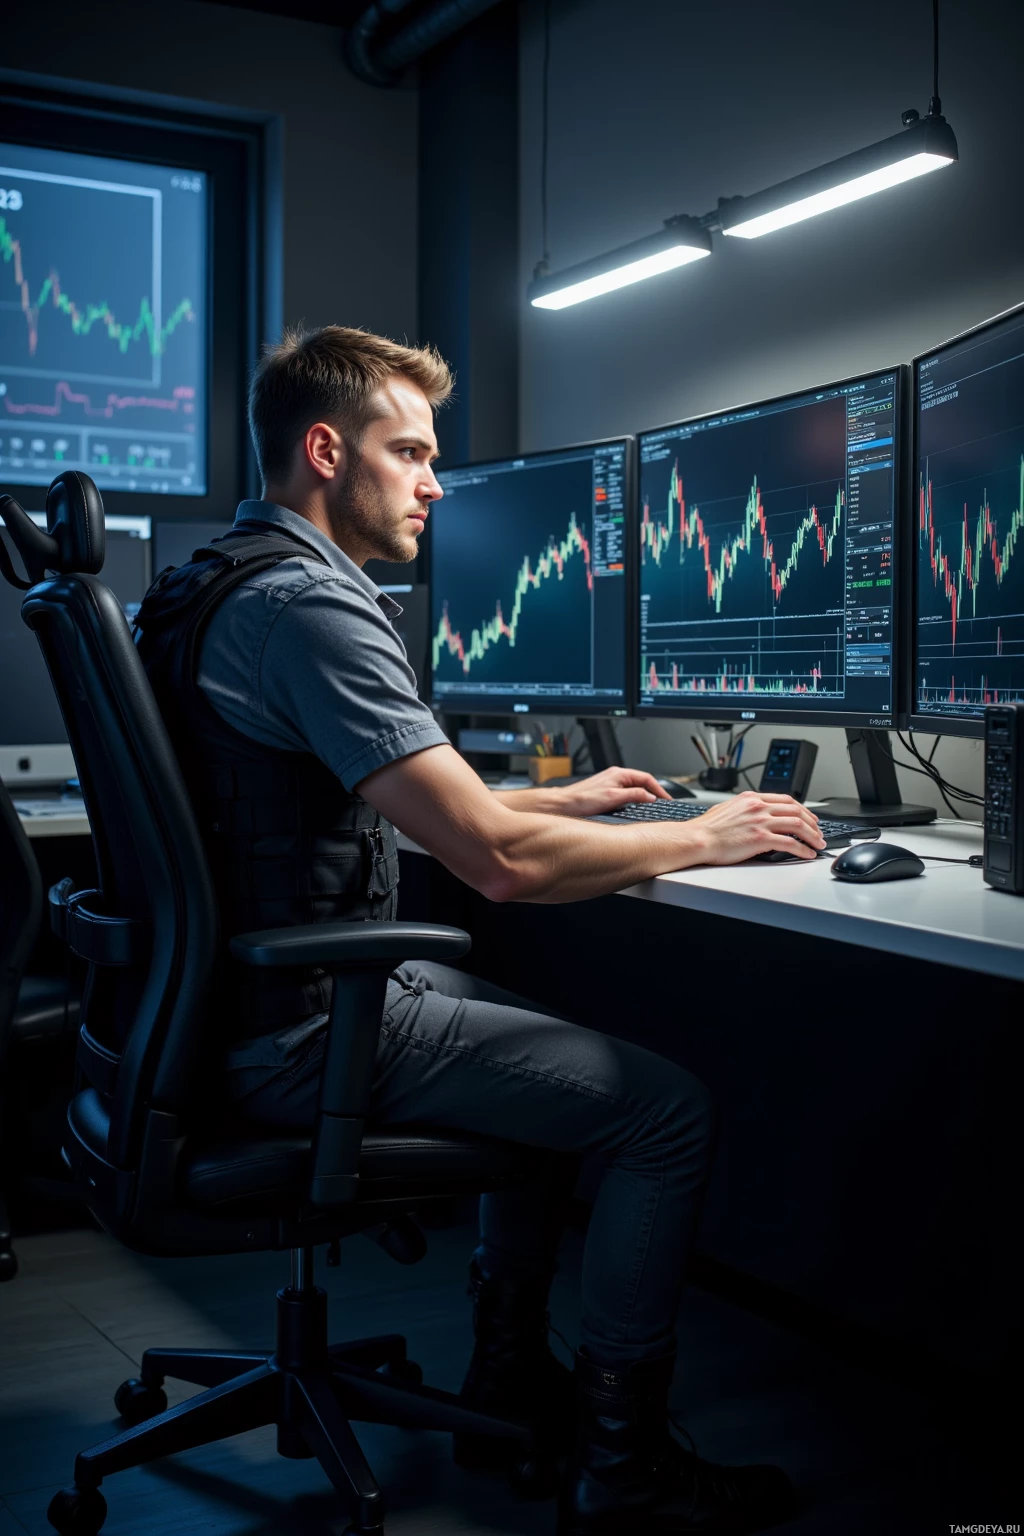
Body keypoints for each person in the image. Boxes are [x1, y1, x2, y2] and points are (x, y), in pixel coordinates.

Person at [136, 326, 821, 1535]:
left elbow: (362, 794)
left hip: (224, 1016)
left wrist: (558, 796)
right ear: (323, 450)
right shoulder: (315, 610)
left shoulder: (216, 582)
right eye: (410, 453)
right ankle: (624, 1470)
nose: (435, 484)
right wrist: (708, 836)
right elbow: (496, 868)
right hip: (298, 1037)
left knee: (552, 1054)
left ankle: (510, 1377)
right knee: (665, 1112)